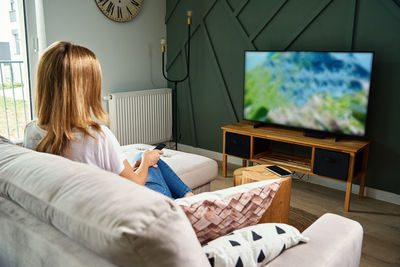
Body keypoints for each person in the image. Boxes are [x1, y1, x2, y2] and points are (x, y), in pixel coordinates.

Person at [23, 41, 193, 199]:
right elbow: (136, 184)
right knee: (151, 161)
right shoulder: (97, 136)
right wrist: (146, 163)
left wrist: (140, 165)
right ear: (87, 87)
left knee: (147, 157)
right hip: (130, 206)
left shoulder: (31, 132)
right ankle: (187, 204)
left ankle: (188, 198)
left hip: (82, 205)